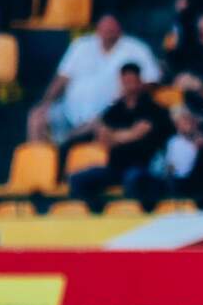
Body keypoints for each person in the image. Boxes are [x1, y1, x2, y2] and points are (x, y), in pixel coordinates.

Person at [27, 14, 161, 146]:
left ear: (119, 29)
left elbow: (152, 81)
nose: (107, 33)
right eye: (104, 28)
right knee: (37, 116)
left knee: (92, 127)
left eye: (111, 29)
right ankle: (37, 159)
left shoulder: (137, 48)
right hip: (69, 110)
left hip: (107, 114)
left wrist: (127, 94)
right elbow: (62, 78)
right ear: (97, 29)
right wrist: (46, 102)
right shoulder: (81, 45)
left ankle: (64, 145)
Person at [68, 63, 173, 207]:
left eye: (131, 81)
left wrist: (115, 136)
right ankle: (95, 211)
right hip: (115, 166)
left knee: (133, 179)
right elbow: (103, 138)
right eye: (125, 81)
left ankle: (133, 214)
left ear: (140, 81)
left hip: (142, 167)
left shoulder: (152, 108)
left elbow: (139, 133)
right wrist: (127, 134)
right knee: (78, 179)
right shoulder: (114, 110)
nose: (128, 86)